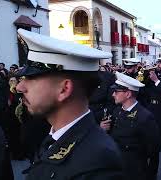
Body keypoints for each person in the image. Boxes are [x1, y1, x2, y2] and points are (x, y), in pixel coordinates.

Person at [15, 29, 123, 180]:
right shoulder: (56, 136)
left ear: (64, 89)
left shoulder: (98, 164)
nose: (19, 87)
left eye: (30, 78)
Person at [100, 72, 160, 180]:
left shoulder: (145, 117)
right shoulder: (117, 110)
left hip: (135, 170)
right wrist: (104, 129)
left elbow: (153, 151)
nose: (113, 94)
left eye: (116, 92)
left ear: (128, 94)